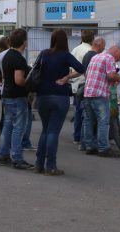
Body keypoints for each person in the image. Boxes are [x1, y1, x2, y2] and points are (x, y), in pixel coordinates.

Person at [35, 29, 85, 175]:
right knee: (53, 131)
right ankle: (51, 166)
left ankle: (39, 164)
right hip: (59, 96)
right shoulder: (65, 56)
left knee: (45, 130)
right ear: (65, 41)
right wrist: (66, 78)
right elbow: (81, 69)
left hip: (42, 96)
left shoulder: (44, 54)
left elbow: (35, 70)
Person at [0, 28, 32, 169]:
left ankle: (3, 154)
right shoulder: (18, 58)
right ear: (24, 42)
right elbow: (19, 80)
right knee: (18, 128)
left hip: (7, 94)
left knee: (7, 125)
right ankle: (17, 158)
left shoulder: (6, 55)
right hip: (17, 96)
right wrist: (29, 82)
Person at [83, 46, 120, 157]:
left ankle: (90, 146)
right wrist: (119, 78)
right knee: (103, 122)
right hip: (100, 94)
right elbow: (110, 75)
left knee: (88, 121)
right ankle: (103, 148)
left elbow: (87, 74)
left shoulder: (95, 57)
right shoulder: (109, 58)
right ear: (115, 51)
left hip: (88, 92)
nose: (118, 60)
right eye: (119, 57)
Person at [70, 30, 94, 145]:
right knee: (86, 112)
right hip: (85, 83)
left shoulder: (75, 49)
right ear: (92, 39)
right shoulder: (90, 51)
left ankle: (77, 136)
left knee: (78, 111)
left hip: (75, 84)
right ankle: (83, 137)